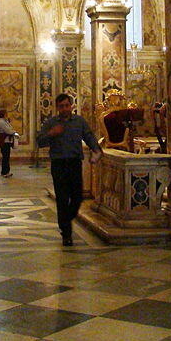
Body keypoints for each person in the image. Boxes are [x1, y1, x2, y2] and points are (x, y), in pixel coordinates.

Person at [36, 93, 102, 246]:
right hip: (59, 164)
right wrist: (52, 133)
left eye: (67, 105)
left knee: (77, 197)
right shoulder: (51, 123)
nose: (64, 108)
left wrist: (96, 150)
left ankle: (67, 218)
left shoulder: (79, 121)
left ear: (71, 106)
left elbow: (88, 136)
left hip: (74, 163)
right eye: (61, 106)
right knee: (62, 198)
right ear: (57, 108)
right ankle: (66, 233)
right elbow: (40, 141)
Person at [0, 109, 16, 178]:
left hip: (7, 141)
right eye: (6, 113)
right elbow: (8, 130)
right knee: (5, 157)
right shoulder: (1, 122)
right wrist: (13, 132)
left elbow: (10, 128)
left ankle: (7, 171)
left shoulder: (5, 121)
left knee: (7, 157)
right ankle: (4, 172)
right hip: (4, 141)